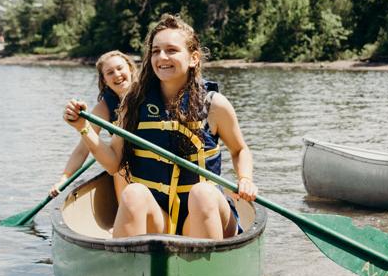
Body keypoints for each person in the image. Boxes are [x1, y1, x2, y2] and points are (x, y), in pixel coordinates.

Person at [63, 14, 257, 240]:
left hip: (209, 213)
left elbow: (240, 150)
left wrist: (245, 178)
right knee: (134, 193)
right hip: (161, 219)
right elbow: (114, 163)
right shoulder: (133, 103)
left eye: (171, 50)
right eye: (155, 51)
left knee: (203, 193)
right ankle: (129, 268)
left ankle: (203, 269)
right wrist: (84, 128)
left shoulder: (215, 105)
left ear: (193, 58)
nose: (161, 57)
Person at [50, 50, 136, 201]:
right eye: (110, 73)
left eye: (120, 68)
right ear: (104, 81)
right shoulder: (104, 108)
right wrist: (65, 178)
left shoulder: (148, 93)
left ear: (130, 69)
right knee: (122, 168)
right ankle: (125, 210)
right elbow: (83, 149)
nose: (116, 74)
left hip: (153, 159)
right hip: (124, 165)